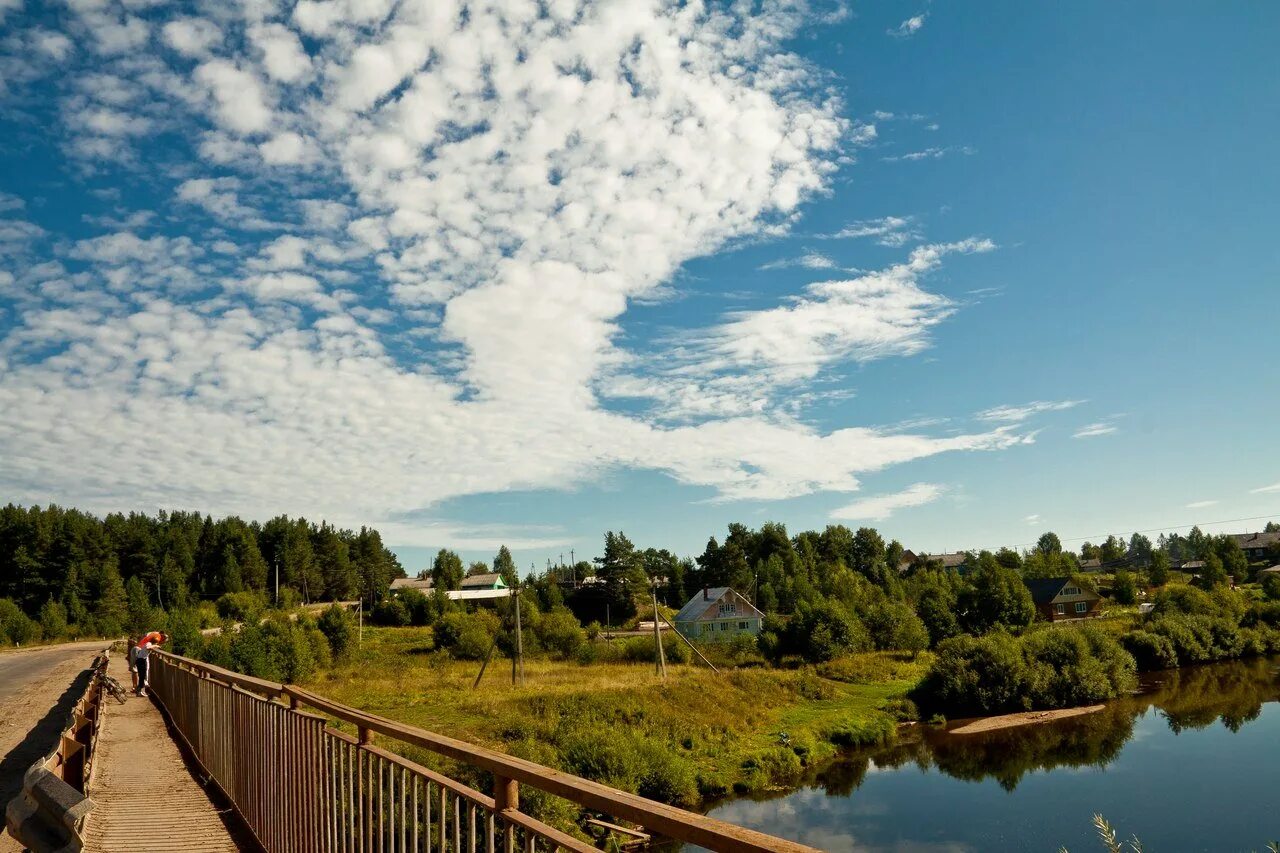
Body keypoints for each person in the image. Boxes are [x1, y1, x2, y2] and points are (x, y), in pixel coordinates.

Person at [134, 630, 167, 697]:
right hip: (141, 660)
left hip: (141, 660)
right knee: (142, 676)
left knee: (142, 676)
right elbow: (147, 647)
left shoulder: (149, 643)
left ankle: (139, 691)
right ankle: (140, 691)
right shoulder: (149, 643)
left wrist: (155, 646)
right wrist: (155, 646)